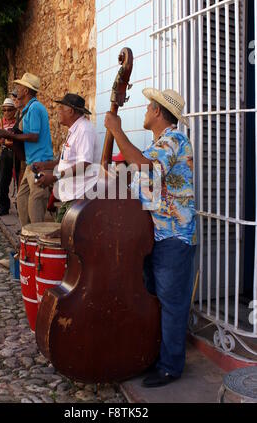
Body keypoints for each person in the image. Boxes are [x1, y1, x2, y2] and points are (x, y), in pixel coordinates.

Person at [104, 88, 197, 388]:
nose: (145, 110)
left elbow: (146, 168)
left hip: (173, 238)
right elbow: (144, 183)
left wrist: (116, 130)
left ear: (158, 111)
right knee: (155, 300)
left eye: (148, 106)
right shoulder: (159, 144)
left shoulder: (174, 140)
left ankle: (171, 366)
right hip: (154, 237)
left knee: (171, 304)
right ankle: (154, 356)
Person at [0, 73, 54, 226]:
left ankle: (35, 240)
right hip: (32, 164)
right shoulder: (28, 109)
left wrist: (9, 134)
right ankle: (27, 238)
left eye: (20, 87)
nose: (17, 89)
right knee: (22, 200)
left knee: (35, 204)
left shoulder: (34, 108)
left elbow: (34, 136)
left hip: (40, 164)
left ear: (26, 91)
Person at [34, 93, 100, 224]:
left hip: (80, 196)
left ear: (70, 111)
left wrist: (54, 177)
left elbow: (84, 164)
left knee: (64, 237)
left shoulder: (84, 130)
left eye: (61, 108)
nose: (58, 112)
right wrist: (44, 166)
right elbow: (67, 160)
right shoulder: (75, 130)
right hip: (72, 195)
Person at [0, 98, 20, 216]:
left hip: (17, 153)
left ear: (14, 110)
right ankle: (4, 206)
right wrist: (1, 141)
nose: (6, 112)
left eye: (9, 110)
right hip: (5, 153)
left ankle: (20, 205)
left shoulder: (18, 122)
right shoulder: (0, 122)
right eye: (4, 110)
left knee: (19, 180)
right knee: (3, 180)